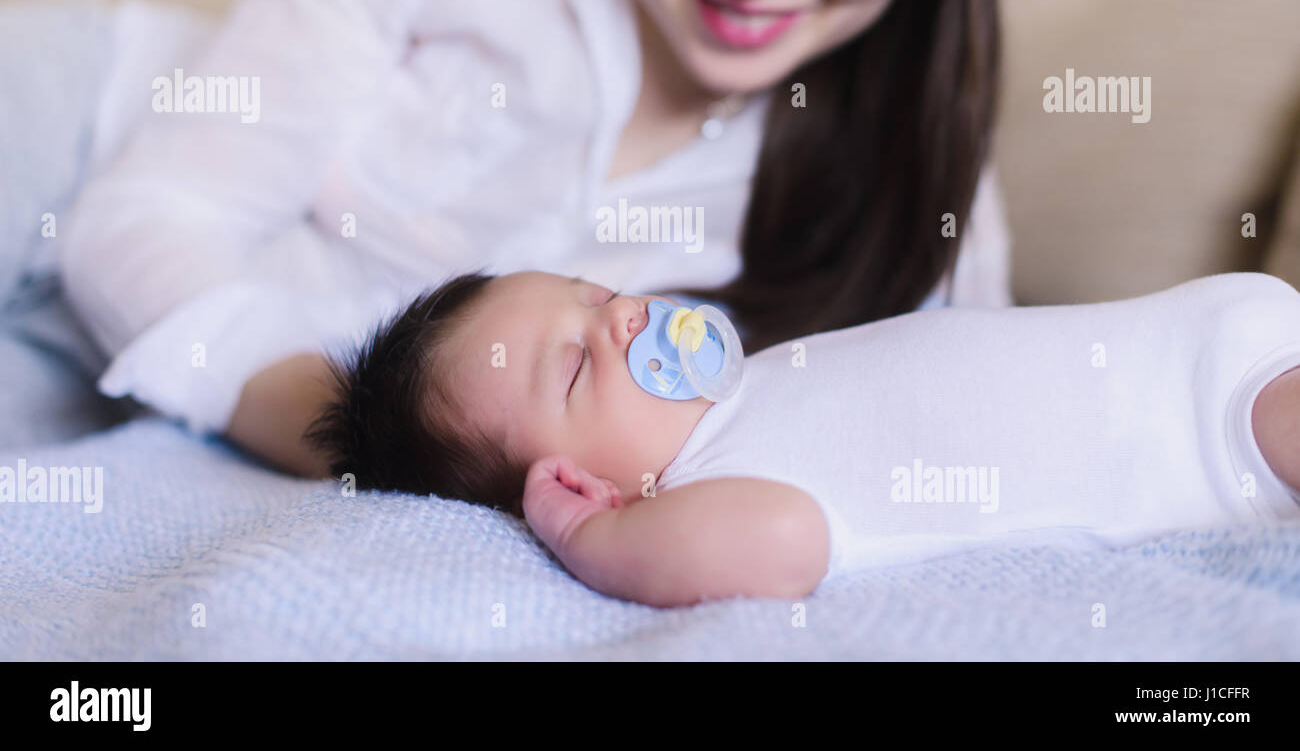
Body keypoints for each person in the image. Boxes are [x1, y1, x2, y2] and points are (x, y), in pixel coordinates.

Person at [56, 0, 1011, 476]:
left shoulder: (920, 209)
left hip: (134, 374)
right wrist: (361, 437)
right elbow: (146, 213)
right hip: (80, 121)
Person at [304, 269, 1300, 607]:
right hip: (1206, 446)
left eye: (597, 293)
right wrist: (588, 541)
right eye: (571, 368)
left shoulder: (756, 392)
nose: (619, 321)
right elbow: (784, 547)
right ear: (572, 482)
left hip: (1198, 337)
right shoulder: (711, 490)